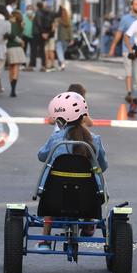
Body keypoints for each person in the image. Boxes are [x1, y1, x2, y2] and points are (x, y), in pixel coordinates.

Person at [36, 91, 108, 249]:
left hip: (54, 197)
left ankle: (45, 239)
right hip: (88, 198)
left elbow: (42, 156)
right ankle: (89, 224)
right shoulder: (94, 140)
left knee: (51, 185)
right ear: (83, 115)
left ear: (60, 119)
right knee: (93, 181)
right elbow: (103, 166)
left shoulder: (56, 138)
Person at [108, 0, 137, 102]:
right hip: (127, 49)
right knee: (129, 73)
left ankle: (134, 91)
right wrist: (113, 46)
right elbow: (119, 33)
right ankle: (129, 92)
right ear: (132, 6)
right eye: (136, 4)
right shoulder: (125, 18)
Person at [4, 11, 27, 97]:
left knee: (10, 68)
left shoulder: (11, 24)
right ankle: (14, 89)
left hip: (10, 47)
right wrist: (21, 41)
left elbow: (11, 34)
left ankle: (12, 89)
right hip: (18, 48)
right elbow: (21, 35)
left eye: (11, 16)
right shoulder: (21, 25)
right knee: (16, 68)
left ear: (14, 16)